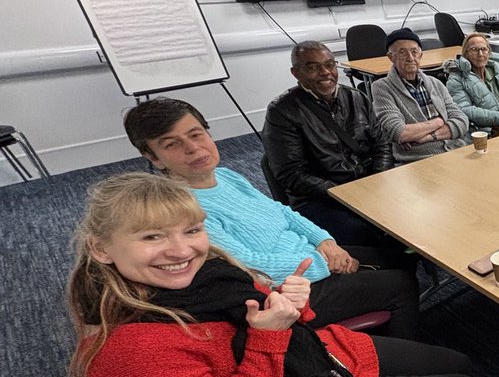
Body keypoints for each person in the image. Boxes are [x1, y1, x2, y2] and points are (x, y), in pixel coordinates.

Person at [67, 172, 499, 377]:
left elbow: (270, 308)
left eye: (192, 230)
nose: (181, 250)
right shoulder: (127, 350)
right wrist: (270, 336)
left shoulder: (206, 272)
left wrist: (291, 306)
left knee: (458, 361)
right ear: (101, 249)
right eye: (152, 237)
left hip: (315, 361)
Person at [122, 98, 419, 339]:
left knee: (398, 256)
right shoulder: (181, 210)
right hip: (287, 291)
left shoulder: (226, 176)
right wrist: (323, 262)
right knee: (400, 283)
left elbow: (283, 212)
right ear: (155, 158)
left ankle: (380, 329)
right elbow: (251, 266)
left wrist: (325, 241)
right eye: (171, 144)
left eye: (196, 134)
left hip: (307, 256)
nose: (193, 148)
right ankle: (399, 357)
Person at [262, 40, 397, 249]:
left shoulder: (356, 97)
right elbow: (291, 174)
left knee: (412, 213)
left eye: (330, 64)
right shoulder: (282, 111)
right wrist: (344, 193)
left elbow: (382, 144)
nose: (325, 72)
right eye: (312, 67)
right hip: (321, 198)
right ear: (296, 73)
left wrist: (375, 181)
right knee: (367, 234)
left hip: (367, 185)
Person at [372, 27, 470, 162]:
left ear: (421, 54)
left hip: (455, 151)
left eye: (414, 51)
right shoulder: (382, 88)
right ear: (391, 57)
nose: (410, 58)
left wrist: (428, 137)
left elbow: (462, 122)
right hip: (418, 160)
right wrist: (439, 122)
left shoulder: (435, 83)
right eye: (402, 52)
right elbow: (398, 132)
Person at [443, 32, 499, 136]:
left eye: (483, 49)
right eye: (474, 49)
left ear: (489, 52)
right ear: (465, 53)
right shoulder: (457, 77)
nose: (480, 54)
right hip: (485, 131)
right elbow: (463, 109)